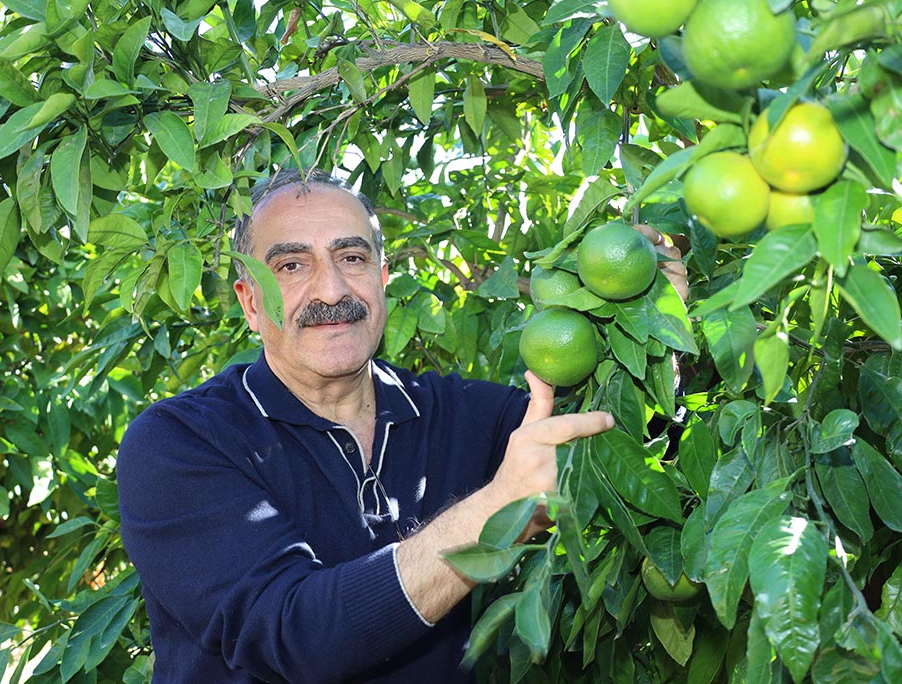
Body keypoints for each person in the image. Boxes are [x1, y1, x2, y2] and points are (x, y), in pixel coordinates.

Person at [117, 168, 687, 683]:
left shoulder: (461, 414)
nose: (332, 290)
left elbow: (625, 460)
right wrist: (499, 508)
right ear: (248, 302)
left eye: (352, 258)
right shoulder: (180, 443)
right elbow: (295, 635)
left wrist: (655, 329)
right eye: (292, 266)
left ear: (382, 277)